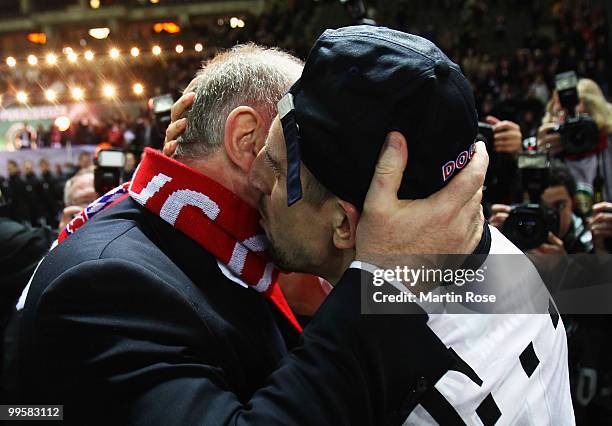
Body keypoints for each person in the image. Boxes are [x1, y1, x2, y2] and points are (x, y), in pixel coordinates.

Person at [16, 43, 486, 425]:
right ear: (246, 139)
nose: (318, 166)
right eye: (298, 146)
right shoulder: (106, 285)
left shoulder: (207, 237)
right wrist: (384, 280)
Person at [248, 26, 573, 424]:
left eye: (279, 171)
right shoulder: (505, 258)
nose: (255, 179)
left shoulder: (399, 401)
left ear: (344, 226)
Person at [490, 160, 593, 254]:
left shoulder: (588, 242)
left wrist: (564, 268)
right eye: (539, 206)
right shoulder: (507, 237)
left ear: (573, 203)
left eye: (559, 205)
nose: (549, 214)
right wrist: (490, 243)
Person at [537, 78, 612, 201]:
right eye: (561, 114)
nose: (577, 132)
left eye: (582, 117)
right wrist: (542, 158)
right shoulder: (550, 149)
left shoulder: (608, 141)